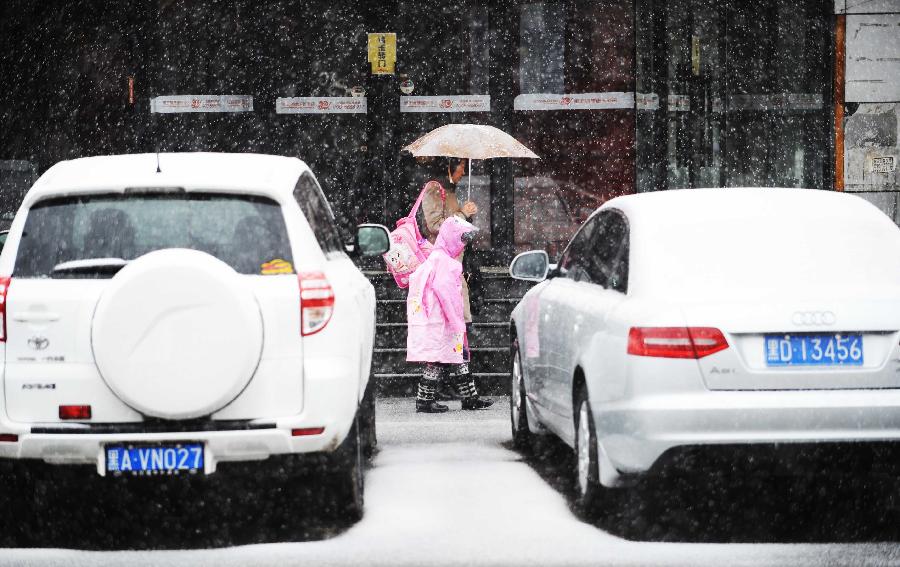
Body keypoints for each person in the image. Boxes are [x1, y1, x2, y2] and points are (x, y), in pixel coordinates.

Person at [406, 215, 494, 413]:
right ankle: (425, 400)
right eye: (461, 239)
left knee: (456, 357)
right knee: (439, 361)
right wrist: (457, 321)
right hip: (444, 321)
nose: (462, 244)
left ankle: (468, 398)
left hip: (438, 319)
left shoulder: (436, 257)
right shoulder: (446, 262)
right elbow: (446, 293)